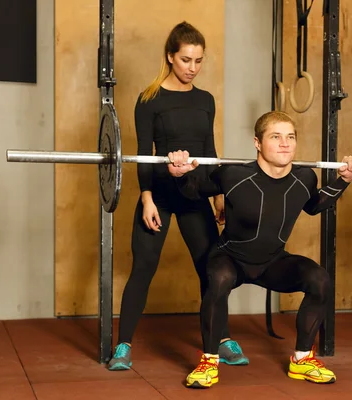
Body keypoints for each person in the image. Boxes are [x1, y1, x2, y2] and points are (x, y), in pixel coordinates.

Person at [166, 110, 352, 388]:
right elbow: (193, 192)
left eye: (290, 137)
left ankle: (302, 359)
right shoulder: (233, 174)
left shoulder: (304, 178)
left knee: (319, 279)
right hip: (230, 258)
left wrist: (343, 180)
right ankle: (209, 362)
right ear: (258, 143)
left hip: (272, 262)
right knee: (219, 279)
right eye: (276, 137)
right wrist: (179, 175)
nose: (285, 143)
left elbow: (314, 206)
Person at [107, 21, 248, 371]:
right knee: (143, 267)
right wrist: (147, 197)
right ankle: (123, 345)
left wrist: (219, 196)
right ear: (170, 57)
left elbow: (211, 150)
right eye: (186, 60)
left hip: (196, 193)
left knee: (212, 270)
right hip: (162, 194)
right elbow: (142, 152)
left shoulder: (205, 100)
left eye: (199, 61)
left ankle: (223, 338)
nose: (192, 68)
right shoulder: (149, 99)